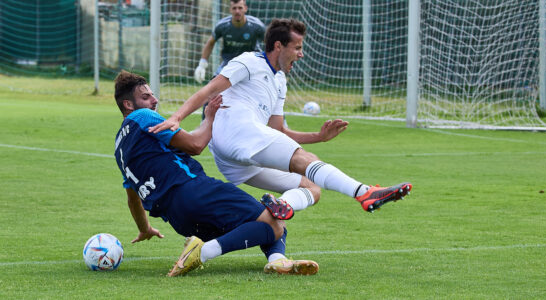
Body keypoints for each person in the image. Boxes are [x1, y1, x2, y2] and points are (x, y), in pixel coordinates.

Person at [149, 18, 412, 216]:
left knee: (312, 187)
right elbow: (209, 89)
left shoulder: (280, 81)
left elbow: (278, 131)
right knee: (309, 162)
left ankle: (281, 206)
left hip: (232, 161)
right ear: (278, 45)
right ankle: (364, 192)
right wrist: (178, 117)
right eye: (297, 47)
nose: (301, 53)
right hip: (237, 132)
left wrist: (318, 137)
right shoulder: (250, 61)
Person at [113, 70, 318, 276]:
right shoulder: (142, 116)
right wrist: (210, 117)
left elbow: (133, 198)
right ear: (128, 105)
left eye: (152, 95)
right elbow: (195, 145)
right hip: (194, 191)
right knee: (272, 219)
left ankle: (277, 261)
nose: (154, 100)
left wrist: (144, 228)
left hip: (178, 218)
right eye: (146, 97)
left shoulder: (119, 148)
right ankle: (202, 252)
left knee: (272, 224)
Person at [194, 0, 265, 84]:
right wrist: (202, 65)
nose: (237, 11)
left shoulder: (257, 26)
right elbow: (210, 42)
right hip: (229, 62)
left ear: (245, 9)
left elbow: (269, 43)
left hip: (252, 63)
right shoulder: (222, 25)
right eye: (234, 8)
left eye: (240, 8)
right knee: (212, 87)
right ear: (230, 10)